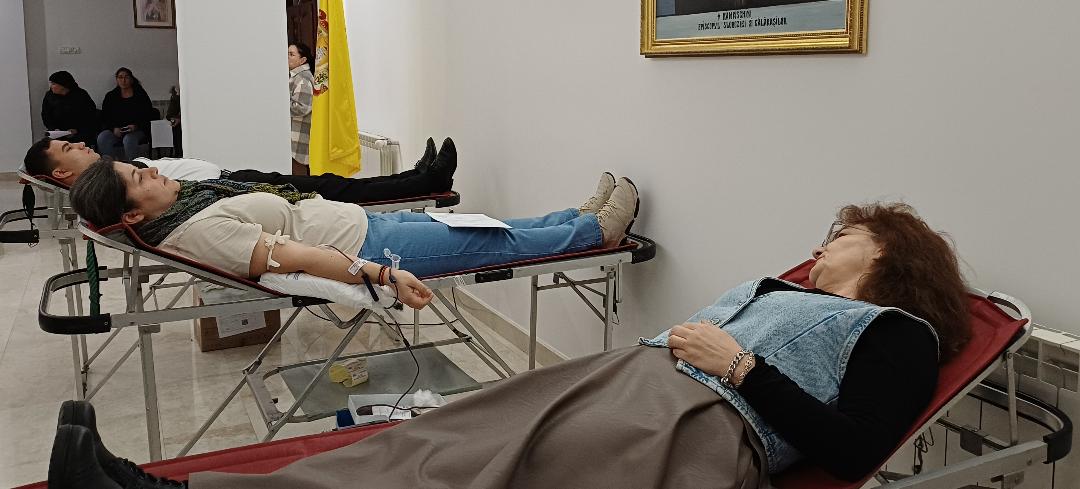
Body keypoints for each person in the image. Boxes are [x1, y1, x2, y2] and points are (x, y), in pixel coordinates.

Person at [45, 202, 970, 488]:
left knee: (447, 474)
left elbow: (853, 448)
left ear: (886, 252)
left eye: (845, 232)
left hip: (687, 427)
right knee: (422, 442)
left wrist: (741, 367)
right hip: (629, 382)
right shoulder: (795, 291)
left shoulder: (900, 334)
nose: (826, 241)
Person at [22, 136, 457, 204]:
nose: (80, 145)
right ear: (60, 174)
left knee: (332, 183)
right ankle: (425, 182)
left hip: (227, 182)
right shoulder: (109, 188)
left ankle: (414, 178)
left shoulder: (109, 173)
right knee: (333, 190)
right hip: (224, 193)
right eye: (68, 149)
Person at [97, 67, 155, 160]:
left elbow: (148, 114)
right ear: (117, 79)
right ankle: (110, 165)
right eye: (120, 77)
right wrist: (113, 128)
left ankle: (132, 166)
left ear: (131, 79)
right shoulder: (111, 96)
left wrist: (136, 126)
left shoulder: (140, 94)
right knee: (102, 137)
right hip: (117, 130)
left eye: (126, 77)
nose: (123, 80)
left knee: (129, 140)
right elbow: (105, 116)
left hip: (136, 129)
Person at [40, 71, 99, 146]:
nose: (51, 86)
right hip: (57, 133)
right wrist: (54, 129)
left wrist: (77, 130)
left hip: (79, 133)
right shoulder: (49, 96)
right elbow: (45, 115)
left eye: (54, 84)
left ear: (63, 85)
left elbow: (90, 116)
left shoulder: (81, 95)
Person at [288, 42, 314, 176]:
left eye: (291, 54)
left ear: (302, 60)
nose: (287, 57)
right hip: (296, 138)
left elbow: (301, 107)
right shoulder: (297, 76)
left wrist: (279, 106)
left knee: (299, 177)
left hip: (299, 139)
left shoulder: (303, 78)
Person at [165, 86, 182, 157]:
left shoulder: (176, 99)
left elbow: (169, 114)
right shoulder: (175, 99)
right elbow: (169, 115)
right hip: (177, 123)